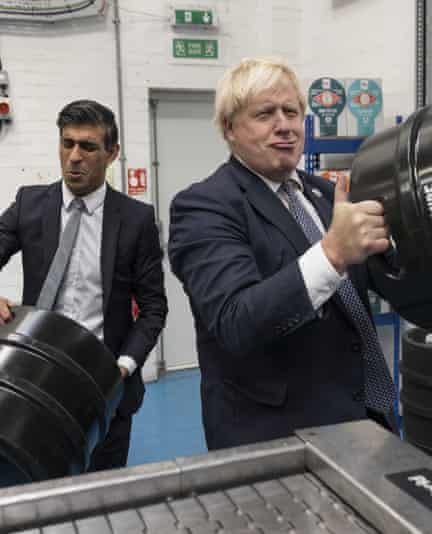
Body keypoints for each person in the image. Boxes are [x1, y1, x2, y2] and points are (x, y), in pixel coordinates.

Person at [168, 57, 399, 450]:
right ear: (229, 128)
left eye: (292, 112)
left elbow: (374, 282)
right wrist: (331, 254)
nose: (284, 125)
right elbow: (236, 320)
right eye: (264, 114)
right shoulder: (204, 207)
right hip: (277, 435)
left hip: (366, 416)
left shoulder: (326, 196)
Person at [0, 99, 167, 470]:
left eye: (88, 146)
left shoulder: (136, 220)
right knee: (41, 490)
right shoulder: (28, 205)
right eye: (67, 144)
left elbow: (153, 308)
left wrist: (123, 367)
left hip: (105, 385)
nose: (74, 157)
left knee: (104, 496)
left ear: (112, 153)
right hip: (33, 380)